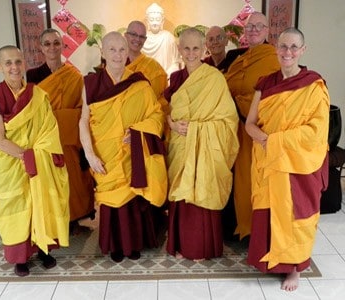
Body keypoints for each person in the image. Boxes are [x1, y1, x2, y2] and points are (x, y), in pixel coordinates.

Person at [245, 27, 329, 291]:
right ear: (276, 49)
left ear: (303, 50)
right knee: (270, 210)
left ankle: (294, 269)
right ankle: (271, 261)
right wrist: (267, 140)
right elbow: (250, 124)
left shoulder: (314, 85)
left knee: (295, 216)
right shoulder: (265, 83)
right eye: (283, 47)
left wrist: (276, 140)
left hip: (297, 164)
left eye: (294, 47)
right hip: (269, 159)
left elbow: (316, 131)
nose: (288, 52)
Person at [79, 31, 167, 262]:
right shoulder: (90, 83)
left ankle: (134, 243)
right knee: (110, 199)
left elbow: (156, 115)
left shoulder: (139, 83)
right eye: (112, 49)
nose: (117, 55)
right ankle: (114, 245)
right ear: (103, 52)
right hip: (103, 150)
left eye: (122, 50)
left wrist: (139, 131)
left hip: (131, 152)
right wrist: (89, 153)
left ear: (128, 52)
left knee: (132, 198)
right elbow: (83, 120)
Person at [0, 45, 69, 277]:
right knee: (16, 208)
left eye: (18, 62)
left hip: (36, 158)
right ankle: (19, 257)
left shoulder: (38, 95)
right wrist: (27, 156)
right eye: (8, 63)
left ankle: (43, 248)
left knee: (40, 203)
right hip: (9, 162)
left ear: (25, 63)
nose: (14, 67)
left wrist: (37, 155)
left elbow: (49, 129)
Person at [165, 28, 239, 261]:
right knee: (180, 194)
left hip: (205, 148)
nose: (191, 53)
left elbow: (228, 119)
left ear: (203, 49)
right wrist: (173, 125)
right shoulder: (176, 78)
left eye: (196, 48)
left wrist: (197, 129)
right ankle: (180, 244)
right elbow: (166, 110)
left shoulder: (214, 77)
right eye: (186, 48)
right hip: (181, 144)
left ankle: (201, 247)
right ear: (179, 50)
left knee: (201, 193)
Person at [26, 29, 95, 234]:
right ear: (41, 47)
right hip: (45, 138)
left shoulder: (74, 75)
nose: (52, 48)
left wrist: (60, 117)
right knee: (51, 180)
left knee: (73, 179)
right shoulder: (33, 75)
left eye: (56, 43)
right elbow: (31, 108)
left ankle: (73, 220)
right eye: (47, 44)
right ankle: (54, 221)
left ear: (63, 46)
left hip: (69, 138)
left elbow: (81, 109)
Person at [225, 12, 280, 241]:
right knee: (236, 179)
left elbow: (276, 97)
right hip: (234, 128)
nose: (254, 30)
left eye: (259, 26)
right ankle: (236, 226)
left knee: (253, 180)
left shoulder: (274, 58)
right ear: (244, 32)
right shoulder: (237, 59)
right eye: (250, 27)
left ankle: (254, 233)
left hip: (258, 130)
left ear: (268, 31)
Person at [124, 20, 168, 113]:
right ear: (126, 35)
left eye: (141, 36)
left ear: (145, 40)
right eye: (133, 34)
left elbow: (158, 100)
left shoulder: (154, 67)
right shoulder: (115, 63)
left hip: (143, 117)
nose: (137, 39)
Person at [142, 3, 181, 76]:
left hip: (166, 76)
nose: (154, 23)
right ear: (147, 21)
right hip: (146, 78)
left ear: (162, 21)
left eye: (157, 19)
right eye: (151, 19)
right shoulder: (142, 39)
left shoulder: (168, 37)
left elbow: (175, 63)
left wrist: (166, 75)